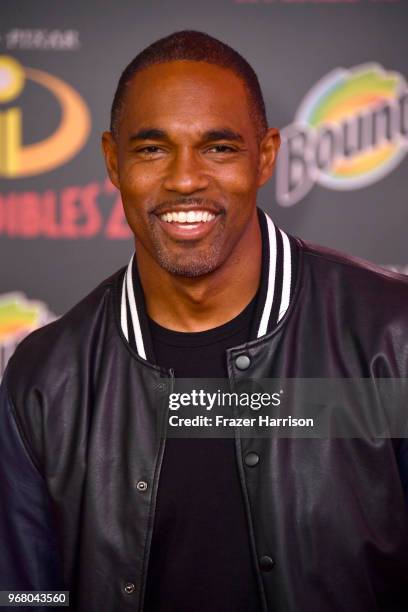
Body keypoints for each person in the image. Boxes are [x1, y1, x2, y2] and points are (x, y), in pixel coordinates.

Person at [1, 30, 408, 612]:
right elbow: (25, 595)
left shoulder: (394, 338)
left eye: (218, 147)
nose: (185, 179)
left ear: (265, 156)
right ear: (113, 161)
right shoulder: (47, 377)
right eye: (152, 149)